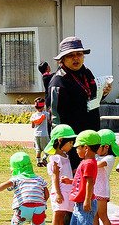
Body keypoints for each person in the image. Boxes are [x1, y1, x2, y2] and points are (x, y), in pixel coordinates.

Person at [47, 37, 111, 171]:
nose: (76, 58)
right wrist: (60, 145)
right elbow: (55, 117)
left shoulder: (86, 73)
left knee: (89, 178)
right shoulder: (58, 82)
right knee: (72, 180)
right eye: (70, 55)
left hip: (91, 137)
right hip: (72, 143)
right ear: (62, 59)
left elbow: (90, 99)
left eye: (79, 54)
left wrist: (103, 93)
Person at [69, 130, 101, 225]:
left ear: (86, 148)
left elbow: (89, 183)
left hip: (84, 202)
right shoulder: (85, 162)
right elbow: (82, 181)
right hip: (79, 202)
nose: (76, 150)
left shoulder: (88, 163)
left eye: (78, 147)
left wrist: (87, 200)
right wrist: (69, 181)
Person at [43, 124, 77, 225]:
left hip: (66, 190)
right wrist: (58, 193)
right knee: (57, 215)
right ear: (60, 141)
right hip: (60, 191)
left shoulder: (65, 156)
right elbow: (55, 177)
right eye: (70, 143)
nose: (71, 146)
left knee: (62, 215)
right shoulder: (55, 158)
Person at [94, 129, 119, 225]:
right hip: (93, 189)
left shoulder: (109, 158)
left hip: (101, 190)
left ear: (106, 147)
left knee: (102, 214)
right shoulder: (96, 156)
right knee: (94, 214)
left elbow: (97, 165)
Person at [31, 97, 50, 167]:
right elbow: (50, 121)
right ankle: (44, 158)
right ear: (43, 106)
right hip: (44, 134)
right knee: (48, 147)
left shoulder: (33, 115)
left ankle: (38, 162)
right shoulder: (46, 114)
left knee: (38, 149)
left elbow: (33, 126)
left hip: (36, 134)